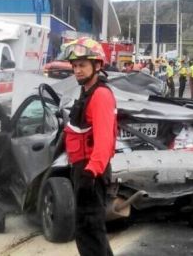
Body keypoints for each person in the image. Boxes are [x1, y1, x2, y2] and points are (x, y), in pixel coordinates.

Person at [61, 37, 115, 256]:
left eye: (82, 65)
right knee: (85, 231)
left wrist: (90, 173)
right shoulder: (87, 92)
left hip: (91, 172)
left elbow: (104, 141)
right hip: (82, 169)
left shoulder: (100, 95)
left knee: (91, 232)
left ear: (98, 65)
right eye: (74, 66)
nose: (77, 70)